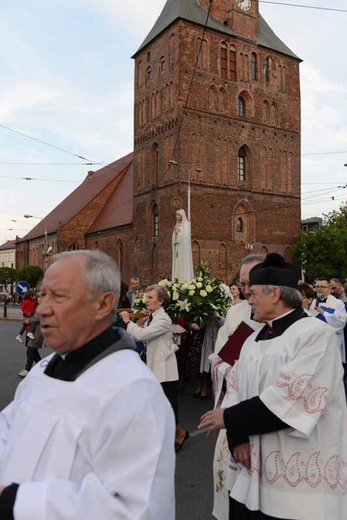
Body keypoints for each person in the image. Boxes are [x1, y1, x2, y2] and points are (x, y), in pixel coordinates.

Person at [0, 250, 175, 519]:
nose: (42, 309)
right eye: (43, 295)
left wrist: (15, 502)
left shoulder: (134, 391)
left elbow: (135, 509)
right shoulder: (44, 370)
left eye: (58, 296)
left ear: (104, 304)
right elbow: (7, 429)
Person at [199, 253, 347, 520]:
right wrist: (238, 436)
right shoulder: (252, 339)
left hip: (297, 483)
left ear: (275, 293)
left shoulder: (315, 335)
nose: (248, 298)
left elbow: (290, 399)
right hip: (253, 471)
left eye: (253, 292)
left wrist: (230, 418)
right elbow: (235, 389)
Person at [209, 254, 264, 519]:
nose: (244, 291)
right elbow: (218, 358)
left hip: (267, 416)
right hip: (235, 405)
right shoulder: (235, 312)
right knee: (231, 491)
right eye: (241, 283)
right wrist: (230, 369)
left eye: (249, 284)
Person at [120, 284, 189, 452]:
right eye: (147, 297)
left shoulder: (163, 319)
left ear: (160, 302)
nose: (147, 300)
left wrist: (128, 321)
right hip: (154, 367)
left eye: (150, 297)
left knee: (169, 405)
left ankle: (179, 432)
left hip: (165, 370)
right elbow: (135, 337)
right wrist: (139, 322)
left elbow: (142, 335)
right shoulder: (152, 317)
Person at [309, 277, 346, 362]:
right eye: (317, 286)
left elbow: (341, 320)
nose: (319, 289)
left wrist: (324, 313)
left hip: (332, 341)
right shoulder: (313, 303)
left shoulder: (337, 303)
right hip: (316, 342)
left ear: (329, 289)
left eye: (322, 287)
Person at [172, 208, 194, 283]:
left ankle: (184, 281)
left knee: (183, 266)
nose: (177, 216)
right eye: (176, 215)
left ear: (182, 215)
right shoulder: (177, 225)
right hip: (178, 248)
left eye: (179, 215)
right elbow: (174, 239)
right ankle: (177, 280)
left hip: (183, 250)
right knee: (177, 266)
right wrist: (175, 234)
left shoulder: (186, 225)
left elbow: (185, 238)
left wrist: (178, 232)